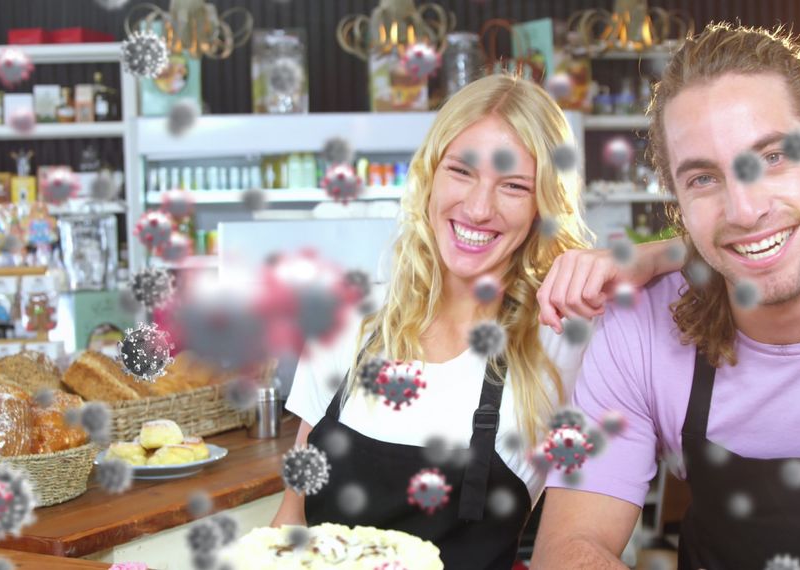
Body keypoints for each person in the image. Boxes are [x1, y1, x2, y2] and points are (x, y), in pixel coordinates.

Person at [532, 22, 800, 569]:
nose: (744, 210)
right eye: (703, 179)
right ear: (677, 198)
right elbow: (568, 549)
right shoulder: (638, 327)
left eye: (771, 158)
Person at [269, 73, 679, 568]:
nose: (479, 208)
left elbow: (726, 258)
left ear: (542, 206)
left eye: (513, 185)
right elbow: (290, 520)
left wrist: (650, 257)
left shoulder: (563, 336)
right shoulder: (347, 323)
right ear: (430, 175)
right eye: (462, 171)